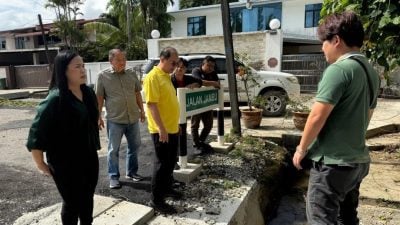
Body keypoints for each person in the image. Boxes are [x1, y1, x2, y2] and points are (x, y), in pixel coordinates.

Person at [292, 11, 380, 225]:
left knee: (320, 218)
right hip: (357, 162)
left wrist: (301, 149)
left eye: (324, 42)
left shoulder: (339, 69)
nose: (322, 48)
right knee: (346, 217)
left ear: (336, 40)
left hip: (332, 164)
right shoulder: (371, 72)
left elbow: (316, 116)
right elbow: (367, 115)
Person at [27, 50, 100, 225]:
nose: (83, 70)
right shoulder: (55, 99)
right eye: (77, 67)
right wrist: (40, 163)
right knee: (72, 202)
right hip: (64, 163)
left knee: (87, 198)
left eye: (83, 66)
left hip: (89, 157)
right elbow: (36, 132)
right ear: (64, 70)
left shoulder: (88, 93)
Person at [96, 48, 145, 189]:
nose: (122, 62)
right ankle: (114, 177)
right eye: (118, 60)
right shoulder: (102, 76)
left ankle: (132, 172)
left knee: (134, 146)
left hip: (133, 118)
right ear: (110, 61)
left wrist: (142, 110)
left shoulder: (131, 74)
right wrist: (98, 116)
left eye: (124, 59)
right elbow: (99, 98)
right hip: (115, 119)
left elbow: (137, 94)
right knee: (113, 150)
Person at [143, 47, 183, 214]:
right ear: (163, 59)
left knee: (169, 163)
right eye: (173, 63)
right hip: (162, 131)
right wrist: (161, 129)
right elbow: (151, 104)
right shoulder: (153, 77)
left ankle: (167, 189)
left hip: (171, 128)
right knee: (161, 165)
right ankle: (156, 200)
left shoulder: (166, 76)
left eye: (176, 63)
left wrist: (176, 125)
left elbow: (169, 102)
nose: (175, 66)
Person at [191, 56, 220, 154]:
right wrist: (213, 83)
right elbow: (199, 82)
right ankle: (196, 144)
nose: (211, 68)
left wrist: (212, 83)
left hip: (207, 102)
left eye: (212, 66)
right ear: (203, 64)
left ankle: (200, 142)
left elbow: (218, 84)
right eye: (209, 65)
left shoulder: (213, 73)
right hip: (196, 102)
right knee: (195, 125)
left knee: (209, 125)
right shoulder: (196, 71)